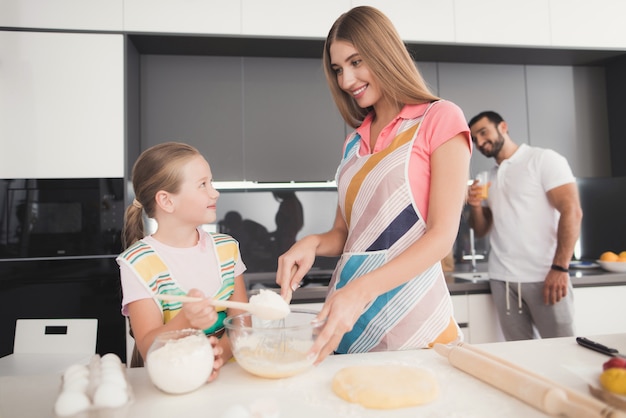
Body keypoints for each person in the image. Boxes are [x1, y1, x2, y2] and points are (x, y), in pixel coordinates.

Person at [275, 6, 472, 363]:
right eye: (337, 69)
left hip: (415, 318)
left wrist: (360, 291)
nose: (346, 81)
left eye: (356, 62)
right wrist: (312, 243)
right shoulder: (353, 143)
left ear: (384, 53)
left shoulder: (439, 118)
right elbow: (346, 234)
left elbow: (442, 237)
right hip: (350, 318)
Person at [117, 142, 248, 378]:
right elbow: (148, 349)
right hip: (176, 383)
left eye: (211, 182)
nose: (214, 192)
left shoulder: (227, 248)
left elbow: (241, 324)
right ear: (167, 201)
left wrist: (217, 354)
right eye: (202, 185)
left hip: (232, 379)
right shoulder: (138, 264)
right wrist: (186, 319)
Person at [466, 111, 583, 341]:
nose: (479, 142)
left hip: (546, 277)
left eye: (483, 133)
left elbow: (572, 211)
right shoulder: (485, 177)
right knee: (519, 356)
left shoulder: (543, 160)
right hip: (503, 281)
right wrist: (476, 206)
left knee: (563, 351)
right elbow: (481, 230)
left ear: (503, 127)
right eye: (474, 139)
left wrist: (560, 268)